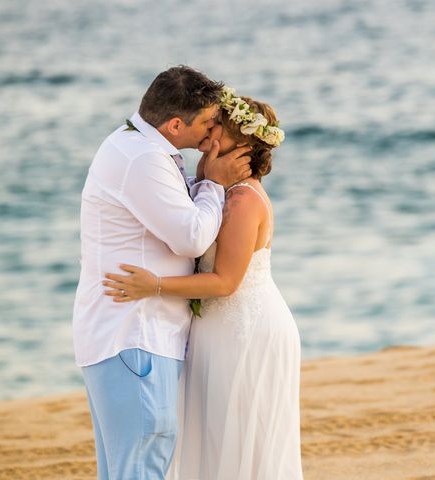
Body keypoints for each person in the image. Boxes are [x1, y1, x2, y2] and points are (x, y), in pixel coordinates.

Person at [103, 88, 304, 479]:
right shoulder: (217, 187)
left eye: (219, 129)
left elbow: (226, 281)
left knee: (240, 439)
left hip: (245, 330)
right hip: (217, 330)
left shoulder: (243, 200)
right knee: (214, 439)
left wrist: (154, 285)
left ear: (244, 143)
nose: (208, 135)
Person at [72, 66, 253, 480]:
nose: (212, 133)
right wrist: (216, 184)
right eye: (207, 123)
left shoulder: (133, 147)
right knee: (143, 463)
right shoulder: (142, 158)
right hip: (136, 336)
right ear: (175, 124)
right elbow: (190, 237)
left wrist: (200, 182)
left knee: (127, 468)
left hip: (126, 337)